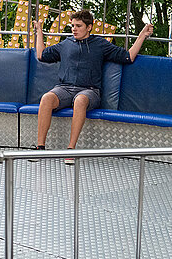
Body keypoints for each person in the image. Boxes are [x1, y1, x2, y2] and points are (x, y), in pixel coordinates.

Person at [32, 10, 153, 164]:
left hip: (89, 91)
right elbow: (41, 55)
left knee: (80, 100)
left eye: (78, 26)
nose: (74, 29)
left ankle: (71, 150)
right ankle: (40, 148)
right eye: (72, 26)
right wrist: (39, 32)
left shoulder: (100, 44)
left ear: (89, 27)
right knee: (46, 98)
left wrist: (142, 34)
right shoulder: (65, 44)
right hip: (65, 88)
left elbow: (128, 56)